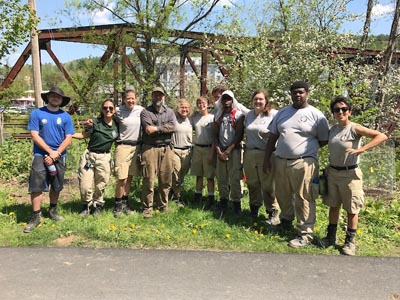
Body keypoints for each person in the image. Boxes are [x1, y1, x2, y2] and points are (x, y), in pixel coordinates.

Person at [263, 81, 329, 248]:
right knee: (282, 194)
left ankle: (305, 233)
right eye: (294, 92)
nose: (297, 95)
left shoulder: (316, 115)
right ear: (291, 94)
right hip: (281, 161)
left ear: (307, 93)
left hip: (304, 162)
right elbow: (273, 137)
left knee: (304, 197)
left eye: (301, 92)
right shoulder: (282, 113)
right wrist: (266, 159)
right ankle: (286, 222)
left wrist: (304, 151)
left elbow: (323, 140)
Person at [320, 96, 388, 256]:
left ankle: (350, 242)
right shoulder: (333, 130)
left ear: (349, 112)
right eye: (337, 109)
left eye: (344, 109)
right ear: (333, 113)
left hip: (350, 175)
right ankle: (330, 238)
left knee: (352, 208)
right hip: (333, 173)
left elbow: (381, 136)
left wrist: (362, 149)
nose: (340, 112)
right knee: (333, 205)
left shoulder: (354, 128)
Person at [24, 86, 75, 233]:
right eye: (52, 95)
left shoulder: (66, 117)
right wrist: (49, 152)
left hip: (59, 156)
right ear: (47, 97)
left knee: (56, 185)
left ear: (61, 100)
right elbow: (34, 135)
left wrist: (56, 153)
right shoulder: (37, 113)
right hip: (41, 155)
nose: (55, 98)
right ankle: (35, 216)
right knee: (36, 186)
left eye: (58, 96)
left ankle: (52, 211)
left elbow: (68, 137)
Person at [73, 99, 119, 216]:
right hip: (90, 156)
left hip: (104, 157)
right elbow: (83, 135)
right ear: (102, 110)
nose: (108, 110)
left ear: (114, 110)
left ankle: (98, 205)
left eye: (110, 108)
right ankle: (86, 206)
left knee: (101, 184)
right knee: (85, 183)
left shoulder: (117, 125)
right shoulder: (95, 122)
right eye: (105, 108)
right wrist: (69, 134)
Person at [243, 89, 280, 224]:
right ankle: (254, 209)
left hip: (267, 154)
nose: (258, 101)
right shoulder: (248, 115)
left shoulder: (273, 115)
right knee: (252, 183)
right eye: (256, 99)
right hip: (250, 153)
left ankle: (272, 212)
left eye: (261, 99)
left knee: (268, 185)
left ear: (266, 101)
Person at [140, 86, 177, 218]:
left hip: (167, 148)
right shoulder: (145, 112)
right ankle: (147, 208)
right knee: (149, 179)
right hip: (150, 148)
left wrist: (156, 128)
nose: (158, 97)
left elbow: (173, 127)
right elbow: (148, 130)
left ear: (164, 97)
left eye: (160, 95)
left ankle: (163, 205)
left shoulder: (170, 112)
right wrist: (163, 129)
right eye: (155, 95)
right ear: (152, 97)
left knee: (166, 179)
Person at [213, 90, 245, 215]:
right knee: (221, 178)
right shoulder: (218, 115)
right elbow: (214, 135)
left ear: (232, 100)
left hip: (234, 151)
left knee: (235, 178)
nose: (226, 102)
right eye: (224, 99)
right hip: (220, 150)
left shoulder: (238, 115)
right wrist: (219, 151)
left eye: (229, 99)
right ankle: (223, 202)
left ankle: (237, 204)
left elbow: (239, 135)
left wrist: (227, 151)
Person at [112, 89, 144, 217]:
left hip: (136, 147)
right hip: (123, 146)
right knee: (122, 178)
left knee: (130, 177)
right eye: (128, 98)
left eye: (133, 98)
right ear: (124, 99)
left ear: (136, 99)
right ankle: (117, 204)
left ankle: (125, 202)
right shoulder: (117, 110)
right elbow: (106, 118)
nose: (130, 100)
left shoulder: (140, 110)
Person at [190, 96, 216, 208]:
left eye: (204, 103)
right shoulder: (195, 117)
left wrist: (212, 152)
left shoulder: (212, 117)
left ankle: (211, 198)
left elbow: (215, 136)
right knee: (198, 174)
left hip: (208, 148)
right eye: (199, 103)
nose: (202, 105)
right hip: (197, 148)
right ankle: (198, 196)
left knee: (209, 175)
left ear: (208, 104)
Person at [170, 99, 193, 207]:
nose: (184, 109)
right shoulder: (173, 119)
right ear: (178, 108)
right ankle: (178, 197)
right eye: (182, 107)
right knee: (176, 173)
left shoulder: (191, 120)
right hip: (175, 150)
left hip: (187, 151)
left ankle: (173, 192)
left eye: (186, 107)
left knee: (182, 175)